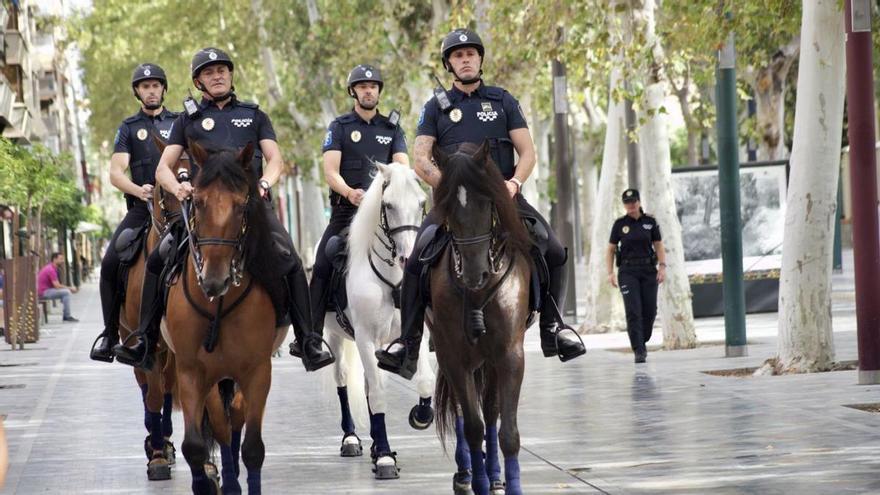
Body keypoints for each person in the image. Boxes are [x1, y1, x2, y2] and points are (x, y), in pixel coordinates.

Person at [376, 28, 585, 379]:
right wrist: (453, 188)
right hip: (453, 204)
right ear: (449, 65)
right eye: (458, 55)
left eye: (471, 54)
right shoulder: (435, 108)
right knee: (416, 260)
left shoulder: (503, 101)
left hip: (503, 199)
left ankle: (553, 326)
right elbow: (421, 159)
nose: (466, 59)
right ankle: (409, 343)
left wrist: (515, 182)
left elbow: (528, 152)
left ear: (480, 59)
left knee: (552, 249)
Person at [117, 47, 333, 372]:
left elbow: (275, 159)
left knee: (290, 258)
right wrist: (178, 187)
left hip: (252, 208)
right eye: (209, 72)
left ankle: (308, 340)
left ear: (231, 75)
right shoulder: (186, 120)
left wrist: (264, 184)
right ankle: (145, 340)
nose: (217, 76)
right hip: (203, 213)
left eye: (222, 70)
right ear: (198, 81)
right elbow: (164, 167)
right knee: (159, 258)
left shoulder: (255, 115)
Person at [293, 64, 408, 357]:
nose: (368, 91)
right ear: (353, 92)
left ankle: (416, 332)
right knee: (323, 261)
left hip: (386, 217)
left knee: (417, 259)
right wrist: (349, 192)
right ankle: (312, 337)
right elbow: (330, 172)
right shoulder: (340, 127)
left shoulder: (392, 128)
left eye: (373, 86)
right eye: (362, 86)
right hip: (347, 213)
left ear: (379, 91)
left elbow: (402, 168)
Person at [90, 63, 177, 362]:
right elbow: (116, 172)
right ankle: (110, 334)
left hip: (180, 209)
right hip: (143, 210)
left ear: (164, 89)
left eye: (155, 85)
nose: (151, 91)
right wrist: (137, 190)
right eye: (145, 86)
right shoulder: (128, 128)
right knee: (110, 262)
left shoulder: (180, 122)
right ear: (137, 92)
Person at [606, 189, 666, 363]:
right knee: (633, 311)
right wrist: (610, 273)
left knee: (650, 310)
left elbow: (659, 246)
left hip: (648, 270)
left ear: (639, 202)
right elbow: (610, 250)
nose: (630, 205)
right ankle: (639, 350)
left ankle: (642, 338)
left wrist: (662, 267)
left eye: (633, 201)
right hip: (627, 272)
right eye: (627, 202)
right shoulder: (619, 225)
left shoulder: (650, 222)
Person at [37, 252, 79, 323]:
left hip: (45, 290)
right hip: (43, 292)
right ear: (54, 259)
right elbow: (57, 286)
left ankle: (66, 313)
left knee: (65, 292)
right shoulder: (50, 269)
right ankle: (67, 316)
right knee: (66, 293)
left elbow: (57, 285)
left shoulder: (51, 268)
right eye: (61, 259)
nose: (62, 261)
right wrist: (70, 288)